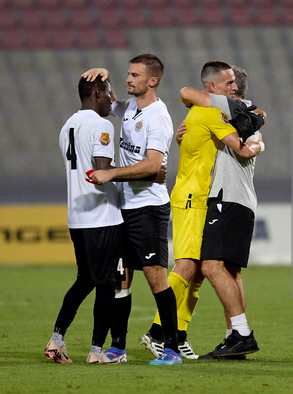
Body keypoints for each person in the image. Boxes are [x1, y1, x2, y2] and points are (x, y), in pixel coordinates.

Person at [140, 62, 264, 360]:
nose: (231, 87)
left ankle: (178, 333)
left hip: (217, 198)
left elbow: (242, 143)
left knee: (200, 269)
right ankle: (169, 333)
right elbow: (189, 96)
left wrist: (254, 140)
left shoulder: (227, 113)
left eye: (234, 83)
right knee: (196, 269)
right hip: (201, 198)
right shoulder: (216, 114)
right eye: (227, 83)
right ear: (216, 89)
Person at [82, 54, 180, 365]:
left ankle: (173, 350)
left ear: (152, 81)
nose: (128, 80)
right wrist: (104, 75)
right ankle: (118, 348)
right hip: (123, 209)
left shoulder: (158, 117)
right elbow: (106, 100)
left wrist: (110, 173)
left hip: (148, 209)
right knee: (120, 279)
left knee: (156, 279)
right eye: (127, 74)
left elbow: (153, 164)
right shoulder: (129, 108)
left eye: (135, 75)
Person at [44, 76, 123, 364]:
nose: (111, 101)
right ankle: (97, 351)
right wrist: (140, 172)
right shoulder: (102, 125)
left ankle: (57, 339)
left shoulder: (68, 125)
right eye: (108, 95)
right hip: (101, 215)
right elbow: (102, 171)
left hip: (77, 218)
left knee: (85, 279)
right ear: (97, 92)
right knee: (106, 284)